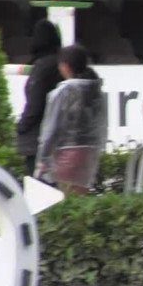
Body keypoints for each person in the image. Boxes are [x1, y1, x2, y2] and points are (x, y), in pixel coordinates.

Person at [34, 44, 106, 195]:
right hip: (91, 153)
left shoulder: (62, 92)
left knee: (66, 199)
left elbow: (50, 129)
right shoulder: (96, 91)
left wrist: (43, 158)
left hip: (66, 153)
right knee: (80, 197)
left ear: (65, 66)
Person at [16, 19, 63, 176]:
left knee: (37, 188)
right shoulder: (61, 63)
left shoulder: (43, 66)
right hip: (59, 137)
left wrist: (21, 126)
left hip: (38, 138)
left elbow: (35, 104)